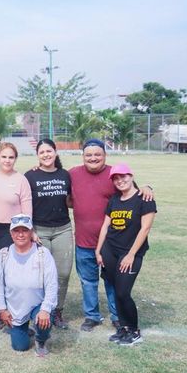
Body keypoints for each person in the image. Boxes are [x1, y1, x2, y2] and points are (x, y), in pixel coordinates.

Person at [69, 139, 154, 332]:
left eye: (97, 154)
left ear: (105, 156)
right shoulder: (73, 174)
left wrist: (148, 186)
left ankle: (117, 316)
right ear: (83, 156)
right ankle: (92, 316)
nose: (93, 158)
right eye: (88, 155)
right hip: (83, 240)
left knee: (111, 281)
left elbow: (134, 191)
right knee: (88, 281)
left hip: (111, 244)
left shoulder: (113, 174)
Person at [95, 164, 156, 346]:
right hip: (110, 250)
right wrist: (98, 250)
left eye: (123, 176)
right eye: (116, 178)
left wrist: (131, 255)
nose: (120, 180)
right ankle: (123, 328)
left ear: (131, 175)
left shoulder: (144, 198)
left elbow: (145, 228)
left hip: (130, 253)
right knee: (115, 290)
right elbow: (106, 226)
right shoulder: (114, 199)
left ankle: (134, 331)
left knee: (123, 292)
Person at [0, 142, 32, 332]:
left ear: (15, 159)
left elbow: (27, 209)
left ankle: (16, 314)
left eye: (11, 157)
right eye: (4, 157)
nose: (7, 160)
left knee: (11, 275)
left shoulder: (21, 180)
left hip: (12, 231)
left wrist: (28, 231)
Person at [24, 139, 73, 329]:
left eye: (49, 151)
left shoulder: (65, 175)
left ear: (55, 152)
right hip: (39, 231)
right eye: (42, 152)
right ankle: (40, 310)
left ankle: (57, 311)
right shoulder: (30, 176)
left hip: (63, 229)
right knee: (40, 275)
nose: (46, 155)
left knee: (63, 273)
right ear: (37, 155)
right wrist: (31, 231)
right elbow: (25, 204)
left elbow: (71, 200)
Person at [0, 215, 58, 356]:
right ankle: (25, 329)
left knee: (43, 320)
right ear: (11, 233)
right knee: (19, 347)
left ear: (31, 232)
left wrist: (45, 310)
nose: (21, 234)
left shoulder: (43, 253)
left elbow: (52, 284)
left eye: (25, 230)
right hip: (16, 309)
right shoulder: (3, 255)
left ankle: (41, 339)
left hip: (38, 305)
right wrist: (2, 309)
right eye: (17, 231)